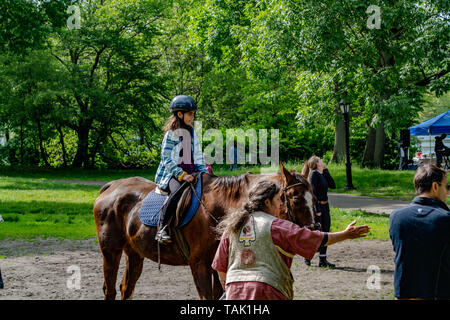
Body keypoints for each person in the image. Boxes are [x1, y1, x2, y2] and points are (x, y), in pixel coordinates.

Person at [212, 180, 370, 300]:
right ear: (267, 202)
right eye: (278, 200)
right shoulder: (277, 226)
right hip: (267, 291)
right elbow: (315, 240)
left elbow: (220, 266)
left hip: (234, 292)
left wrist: (231, 288)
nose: (282, 205)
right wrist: (345, 234)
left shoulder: (233, 227)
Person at [389, 164, 450, 300]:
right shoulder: (445, 218)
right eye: (447, 187)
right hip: (437, 293)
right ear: (435, 186)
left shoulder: (396, 216)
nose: (448, 192)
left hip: (403, 292)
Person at [154, 95, 209, 243]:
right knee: (177, 191)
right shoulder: (171, 133)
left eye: (193, 114)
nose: (192, 117)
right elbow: (166, 159)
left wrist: (204, 172)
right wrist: (181, 175)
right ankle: (162, 228)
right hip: (172, 174)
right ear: (180, 114)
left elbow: (198, 155)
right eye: (190, 114)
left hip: (193, 172)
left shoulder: (191, 132)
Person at [302, 156, 336, 267]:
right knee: (316, 232)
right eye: (320, 160)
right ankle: (307, 256)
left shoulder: (322, 173)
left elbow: (333, 185)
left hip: (326, 207)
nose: (322, 161)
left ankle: (322, 259)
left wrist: (326, 170)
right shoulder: (313, 174)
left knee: (326, 231)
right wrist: (317, 209)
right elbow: (312, 193)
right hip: (319, 207)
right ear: (317, 163)